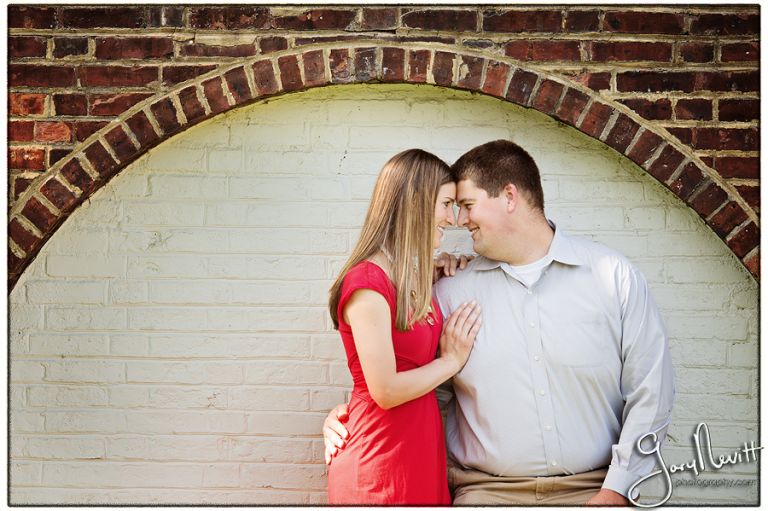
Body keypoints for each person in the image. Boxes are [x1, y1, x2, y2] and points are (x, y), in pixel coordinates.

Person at [323, 140, 675, 506]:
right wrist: (349, 416)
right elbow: (402, 384)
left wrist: (616, 491)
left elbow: (652, 391)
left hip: (593, 490)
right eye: (450, 206)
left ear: (509, 196)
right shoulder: (449, 293)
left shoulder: (613, 278)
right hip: (485, 493)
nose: (459, 220)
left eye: (466, 206)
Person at [325, 149, 482, 505]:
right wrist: (451, 362)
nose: (453, 218)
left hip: (418, 456)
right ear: (417, 202)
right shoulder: (367, 283)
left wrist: (439, 268)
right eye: (446, 204)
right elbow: (385, 390)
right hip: (378, 463)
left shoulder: (407, 278)